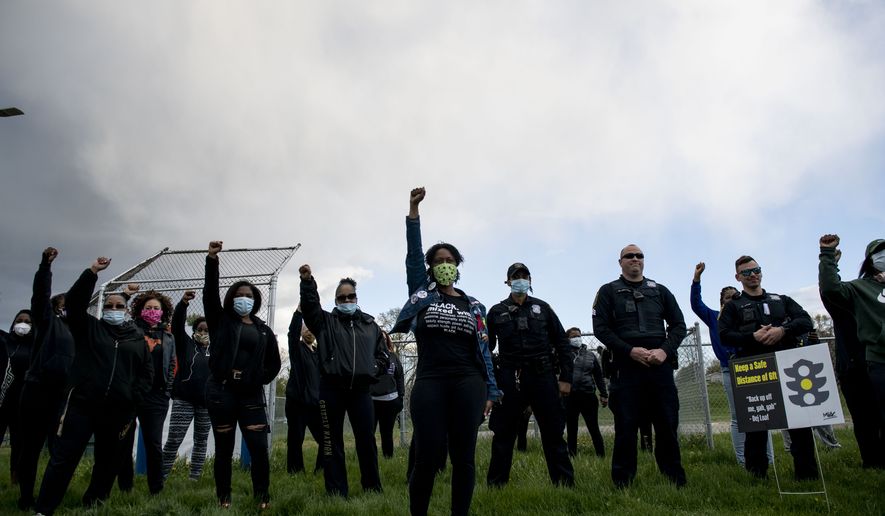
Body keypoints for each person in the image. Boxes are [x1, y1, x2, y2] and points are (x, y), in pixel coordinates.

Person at [391, 187, 501, 516]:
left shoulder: (474, 306)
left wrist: (491, 391)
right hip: (430, 382)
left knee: (464, 457)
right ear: (430, 268)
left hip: (469, 382)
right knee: (428, 454)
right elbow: (413, 255)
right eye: (438, 261)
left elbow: (484, 353)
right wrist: (413, 211)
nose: (444, 264)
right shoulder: (421, 295)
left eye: (449, 260)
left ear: (458, 265)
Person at [34, 256, 152, 515]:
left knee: (107, 462)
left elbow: (146, 374)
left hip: (118, 411)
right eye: (108, 305)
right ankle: (44, 508)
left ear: (126, 310)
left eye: (118, 305)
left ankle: (94, 503)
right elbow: (75, 304)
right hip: (82, 407)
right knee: (64, 459)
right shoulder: (89, 328)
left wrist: (133, 399)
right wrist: (92, 273)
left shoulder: (137, 339)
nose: (113, 308)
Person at [592, 244, 687, 488]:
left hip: (659, 367)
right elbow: (601, 329)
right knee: (626, 427)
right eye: (629, 256)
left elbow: (678, 325)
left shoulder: (660, 291)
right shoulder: (608, 291)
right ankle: (623, 482)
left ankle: (674, 479)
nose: (635, 259)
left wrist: (665, 351)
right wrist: (629, 350)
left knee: (667, 424)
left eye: (639, 256)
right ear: (620, 261)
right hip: (626, 367)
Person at [718, 255, 816, 481]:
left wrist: (783, 331)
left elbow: (805, 320)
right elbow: (724, 335)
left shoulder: (780, 300)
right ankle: (757, 476)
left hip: (787, 366)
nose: (752, 275)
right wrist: (752, 337)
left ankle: (806, 475)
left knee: (799, 423)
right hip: (754, 370)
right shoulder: (733, 307)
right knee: (756, 426)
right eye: (746, 272)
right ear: (738, 277)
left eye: (756, 270)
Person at [203, 241, 281, 509]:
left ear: (255, 299)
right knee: (224, 450)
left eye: (248, 294)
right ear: (231, 298)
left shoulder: (263, 330)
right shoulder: (220, 320)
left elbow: (274, 365)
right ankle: (223, 498)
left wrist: (256, 378)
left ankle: (262, 498)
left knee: (258, 448)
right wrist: (212, 260)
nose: (243, 298)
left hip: (250, 396)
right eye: (238, 294)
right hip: (221, 393)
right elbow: (210, 294)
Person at [299, 265, 388, 497]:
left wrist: (375, 368)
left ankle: (372, 488)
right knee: (331, 441)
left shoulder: (370, 325)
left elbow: (383, 354)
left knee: (366, 441)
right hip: (331, 389)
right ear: (336, 300)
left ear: (356, 297)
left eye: (350, 296)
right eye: (341, 297)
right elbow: (309, 308)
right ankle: (337, 492)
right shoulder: (325, 322)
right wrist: (308, 282)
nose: (346, 299)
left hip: (361, 391)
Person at [486, 262, 574, 487]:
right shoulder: (496, 312)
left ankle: (564, 484)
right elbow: (487, 348)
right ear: (508, 281)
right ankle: (496, 486)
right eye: (516, 276)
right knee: (504, 434)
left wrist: (565, 378)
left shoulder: (543, 309)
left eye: (524, 275)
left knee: (553, 432)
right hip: (510, 377)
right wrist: (491, 382)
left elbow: (562, 343)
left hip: (542, 375)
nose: (520, 279)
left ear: (530, 280)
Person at [691, 262, 773, 466]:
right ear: (721, 303)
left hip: (753, 367)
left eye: (735, 297)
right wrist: (697, 280)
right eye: (728, 299)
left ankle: (768, 460)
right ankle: (742, 461)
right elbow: (696, 304)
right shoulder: (714, 318)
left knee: (762, 414)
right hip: (729, 369)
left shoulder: (745, 316)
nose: (732, 301)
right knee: (739, 418)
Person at [16, 247, 76, 510]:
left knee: (59, 450)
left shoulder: (77, 331)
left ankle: (50, 497)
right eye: (64, 305)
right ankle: (26, 497)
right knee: (30, 448)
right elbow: (40, 294)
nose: (67, 309)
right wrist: (45, 266)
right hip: (36, 389)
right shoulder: (46, 320)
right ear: (55, 307)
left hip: (61, 396)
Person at [818, 234, 885, 468]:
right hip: (858, 365)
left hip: (874, 362)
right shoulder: (854, 293)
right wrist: (829, 260)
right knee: (866, 418)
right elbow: (830, 290)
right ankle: (873, 461)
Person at [117, 289, 176, 495]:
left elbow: (171, 365)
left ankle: (156, 489)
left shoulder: (168, 336)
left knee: (153, 443)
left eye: (156, 308)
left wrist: (166, 391)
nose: (152, 311)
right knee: (124, 440)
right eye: (148, 307)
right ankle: (125, 486)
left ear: (163, 311)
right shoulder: (130, 331)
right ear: (140, 310)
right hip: (131, 394)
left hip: (157, 396)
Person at [162, 290, 212, 481]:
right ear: (194, 331)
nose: (203, 333)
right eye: (200, 329)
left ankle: (195, 478)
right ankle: (162, 476)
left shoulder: (216, 349)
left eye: (207, 330)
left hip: (206, 402)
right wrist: (183, 304)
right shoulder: (185, 344)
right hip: (184, 399)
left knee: (201, 440)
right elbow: (175, 325)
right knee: (174, 439)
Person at [285, 304, 324, 474]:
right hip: (297, 403)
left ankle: (321, 469)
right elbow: (292, 334)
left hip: (315, 403)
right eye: (305, 327)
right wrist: (298, 313)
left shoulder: (318, 352)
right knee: (295, 439)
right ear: (301, 331)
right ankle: (296, 472)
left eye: (312, 328)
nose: (309, 331)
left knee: (326, 439)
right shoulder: (297, 349)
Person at [0, 308, 34, 484]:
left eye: (28, 322)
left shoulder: (35, 347)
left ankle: (16, 477)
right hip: (1, 400)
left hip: (22, 404)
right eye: (20, 320)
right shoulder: (5, 342)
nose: (23, 324)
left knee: (19, 443)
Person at [565, 327, 608, 458]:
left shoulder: (590, 355)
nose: (577, 338)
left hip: (588, 396)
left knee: (593, 427)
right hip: (569, 397)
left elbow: (599, 376)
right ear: (568, 339)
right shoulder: (563, 355)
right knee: (572, 429)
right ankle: (572, 456)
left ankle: (601, 456)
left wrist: (603, 394)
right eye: (573, 337)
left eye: (578, 336)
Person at [371, 331, 405, 459]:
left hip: (390, 401)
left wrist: (400, 397)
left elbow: (400, 377)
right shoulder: (369, 355)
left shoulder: (393, 357)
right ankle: (370, 459)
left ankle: (388, 458)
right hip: (371, 401)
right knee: (369, 433)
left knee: (387, 433)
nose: (383, 342)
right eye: (380, 339)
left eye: (385, 339)